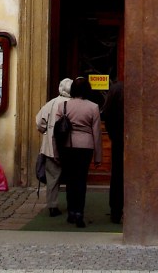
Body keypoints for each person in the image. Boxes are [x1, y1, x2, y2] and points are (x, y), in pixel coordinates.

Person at [59, 75, 102, 228]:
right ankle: (79, 212)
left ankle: (71, 211)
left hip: (68, 145)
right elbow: (97, 133)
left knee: (70, 180)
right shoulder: (93, 107)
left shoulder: (63, 105)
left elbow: (56, 131)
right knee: (81, 180)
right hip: (86, 146)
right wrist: (98, 156)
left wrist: (56, 151)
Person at [35, 77, 73, 216]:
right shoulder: (75, 104)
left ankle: (52, 205)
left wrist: (45, 131)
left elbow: (39, 122)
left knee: (52, 177)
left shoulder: (51, 103)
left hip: (51, 146)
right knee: (72, 177)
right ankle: (72, 205)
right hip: (70, 146)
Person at [101, 79, 124, 223]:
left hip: (118, 139)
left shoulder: (116, 89)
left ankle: (116, 211)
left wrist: (112, 134)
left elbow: (107, 114)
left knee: (117, 175)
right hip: (133, 139)